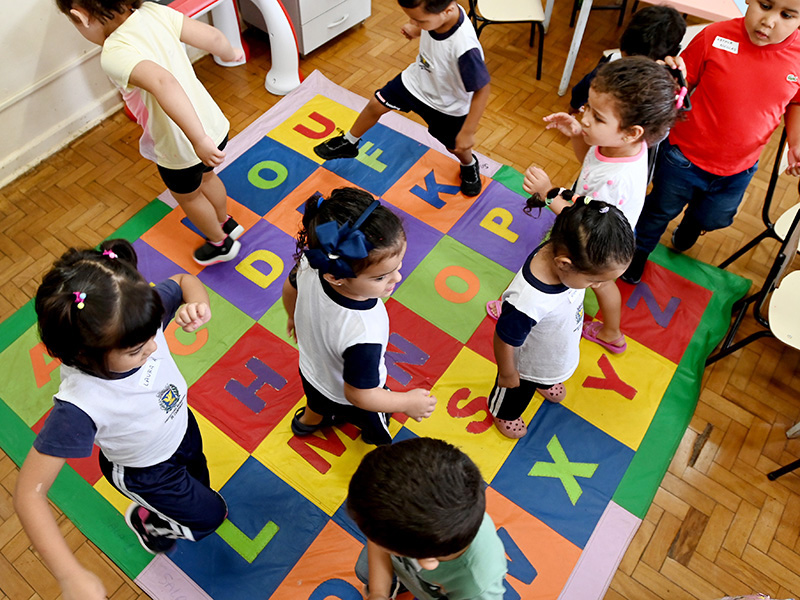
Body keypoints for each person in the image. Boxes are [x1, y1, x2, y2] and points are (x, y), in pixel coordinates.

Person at [14, 239, 227, 600]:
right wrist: (70, 576)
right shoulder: (79, 406)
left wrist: (198, 303)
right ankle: (152, 523)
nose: (155, 347)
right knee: (211, 516)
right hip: (147, 471)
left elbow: (183, 279)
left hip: (181, 428)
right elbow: (28, 495)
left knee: (202, 479)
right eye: (136, 351)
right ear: (84, 354)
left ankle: (164, 513)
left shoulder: (135, 318)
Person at [621, 0, 800, 285]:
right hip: (683, 157)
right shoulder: (714, 36)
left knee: (714, 218)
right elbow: (682, 82)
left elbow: (796, 102)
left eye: (787, 15)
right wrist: (665, 80)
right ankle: (638, 252)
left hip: (738, 170)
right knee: (658, 212)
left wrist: (796, 142)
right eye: (764, 5)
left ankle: (693, 223)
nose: (769, 21)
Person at [55, 0, 246, 265]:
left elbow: (163, 82)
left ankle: (220, 242)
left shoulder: (115, 52)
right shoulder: (153, 11)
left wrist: (197, 139)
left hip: (182, 143)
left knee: (189, 196)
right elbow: (212, 36)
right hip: (212, 124)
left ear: (81, 16)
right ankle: (226, 222)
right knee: (208, 177)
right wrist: (229, 52)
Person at [515, 57, 678, 354]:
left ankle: (525, 314)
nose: (585, 117)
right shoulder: (621, 145)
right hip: (602, 228)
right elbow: (588, 163)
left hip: (594, 242)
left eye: (597, 118)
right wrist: (579, 135)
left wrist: (547, 193)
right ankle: (612, 333)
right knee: (603, 285)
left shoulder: (615, 181)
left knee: (566, 281)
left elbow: (583, 225)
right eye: (587, 107)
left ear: (632, 131)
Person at [282, 187, 436, 445]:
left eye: (398, 267)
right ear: (337, 277)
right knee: (375, 424)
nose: (397, 278)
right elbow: (359, 395)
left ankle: (309, 421)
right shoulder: (364, 330)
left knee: (316, 401)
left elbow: (290, 287)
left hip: (310, 370)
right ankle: (376, 441)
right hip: (348, 398)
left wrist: (292, 317)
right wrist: (407, 402)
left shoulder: (315, 263)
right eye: (380, 277)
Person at [312, 0, 491, 197]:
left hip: (446, 106)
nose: (413, 22)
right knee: (375, 105)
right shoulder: (438, 16)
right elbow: (429, 26)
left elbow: (482, 89)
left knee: (455, 147)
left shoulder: (465, 49)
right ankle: (349, 142)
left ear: (448, 10)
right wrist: (417, 29)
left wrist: (468, 131)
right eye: (411, 18)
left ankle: (469, 164)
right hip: (416, 81)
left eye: (419, 20)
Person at [489, 198, 635, 438]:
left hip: (556, 345)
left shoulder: (569, 252)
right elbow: (505, 339)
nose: (599, 286)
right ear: (564, 264)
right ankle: (504, 412)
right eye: (594, 281)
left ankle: (545, 381)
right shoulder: (528, 301)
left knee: (550, 368)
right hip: (524, 368)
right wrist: (507, 373)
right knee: (517, 393)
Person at [347, 437, 508, 600]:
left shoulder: (477, 586)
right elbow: (377, 541)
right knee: (364, 571)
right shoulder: (392, 518)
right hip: (404, 559)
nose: (370, 538)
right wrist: (378, 592)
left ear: (426, 562)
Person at [569, 5, 686, 113]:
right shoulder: (664, 86)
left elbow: (582, 89)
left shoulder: (610, 64)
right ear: (674, 52)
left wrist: (574, 107)